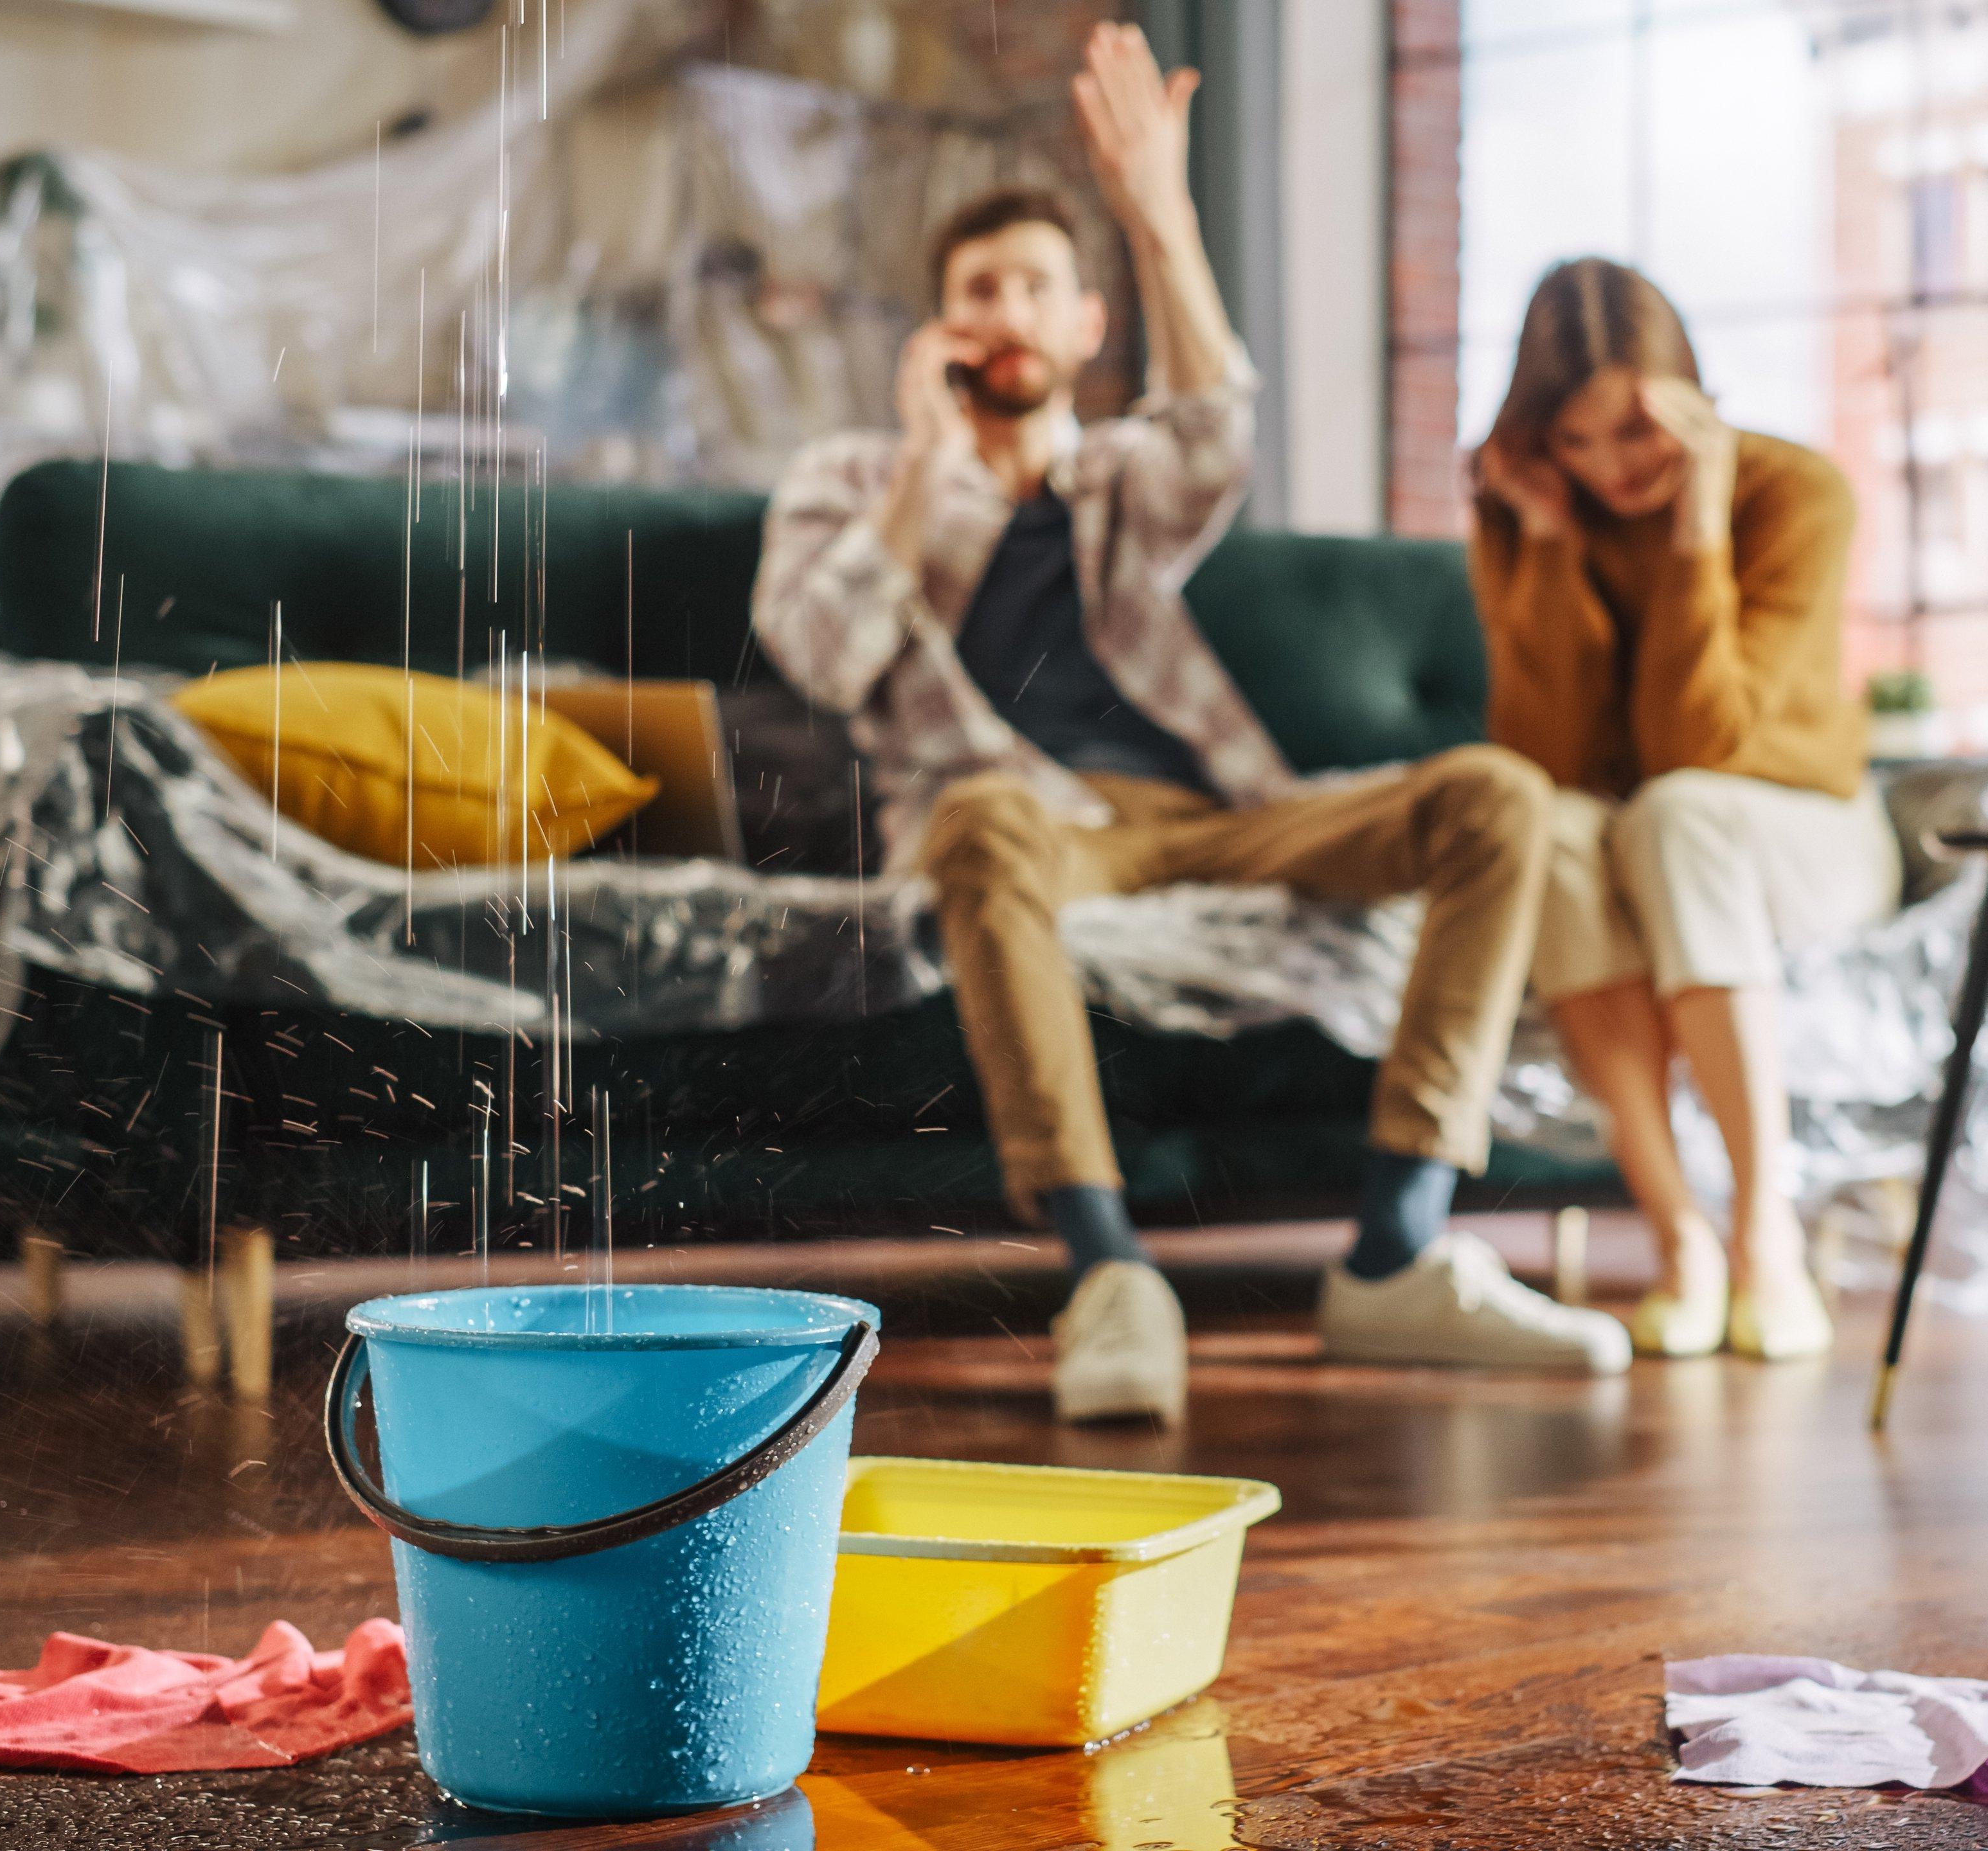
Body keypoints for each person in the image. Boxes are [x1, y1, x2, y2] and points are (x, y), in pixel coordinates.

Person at [753, 25, 1627, 1424]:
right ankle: (1109, 1274)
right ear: (939, 327)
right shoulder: (850, 478)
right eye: (982, 289)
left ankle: (1399, 1247)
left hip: (1216, 815)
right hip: (1029, 831)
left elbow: (1214, 428)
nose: (1011, 312)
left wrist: (1158, 213)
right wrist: (925, 464)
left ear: (1084, 326)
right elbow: (824, 656)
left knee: (1497, 797)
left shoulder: (1116, 481)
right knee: (978, 815)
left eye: (1041, 286)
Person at [1468, 258, 1900, 1361]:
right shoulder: (1532, 509)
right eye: (1578, 440)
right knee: (1550, 830)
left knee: (1679, 811)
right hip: (1634, 838)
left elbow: (1698, 746)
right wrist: (1551, 544)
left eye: (1638, 432)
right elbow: (1546, 755)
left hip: (1800, 836)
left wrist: (1700, 528)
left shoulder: (1798, 493)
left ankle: (1766, 1239)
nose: (1614, 467)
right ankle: (1681, 1239)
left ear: (1696, 403)